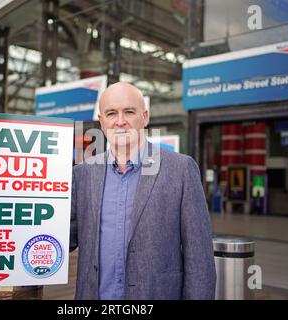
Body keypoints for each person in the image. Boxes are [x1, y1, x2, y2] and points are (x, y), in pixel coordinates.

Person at [70, 82, 216, 300]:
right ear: (101, 122)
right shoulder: (82, 175)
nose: (120, 121)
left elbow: (200, 257)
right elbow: (62, 239)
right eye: (111, 113)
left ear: (145, 117)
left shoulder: (181, 170)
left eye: (129, 111)